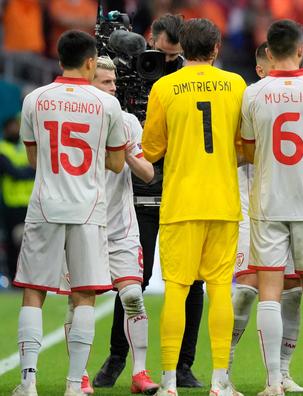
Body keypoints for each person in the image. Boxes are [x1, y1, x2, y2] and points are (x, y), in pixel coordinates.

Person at [12, 30, 127, 396]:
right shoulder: (107, 105)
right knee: (84, 295)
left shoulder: (34, 99)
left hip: (45, 204)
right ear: (91, 62)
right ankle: (74, 385)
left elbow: (33, 158)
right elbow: (117, 161)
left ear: (59, 58)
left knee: (34, 292)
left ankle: (28, 382)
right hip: (89, 208)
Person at [95, 13, 206, 390]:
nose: (167, 63)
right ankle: (116, 358)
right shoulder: (121, 73)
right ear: (149, 40)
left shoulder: (188, 80)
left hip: (179, 190)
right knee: (131, 282)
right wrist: (111, 50)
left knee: (191, 282)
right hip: (136, 193)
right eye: (161, 54)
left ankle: (183, 366)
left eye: (176, 57)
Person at [142, 18, 247, 396]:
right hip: (223, 201)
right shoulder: (236, 84)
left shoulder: (164, 86)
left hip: (180, 202)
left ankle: (169, 382)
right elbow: (245, 145)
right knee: (220, 289)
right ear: (216, 48)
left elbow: (151, 149)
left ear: (182, 48)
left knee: (176, 290)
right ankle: (220, 381)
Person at [240, 19, 303, 396]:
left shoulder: (253, 94)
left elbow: (248, 151)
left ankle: (272, 384)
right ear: (301, 50)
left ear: (267, 53)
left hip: (267, 202)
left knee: (270, 289)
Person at [60, 56, 159, 395]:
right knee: (78, 301)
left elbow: (148, 174)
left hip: (120, 226)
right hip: (82, 223)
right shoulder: (75, 119)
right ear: (89, 82)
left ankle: (140, 373)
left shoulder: (129, 121)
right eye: (106, 83)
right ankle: (80, 376)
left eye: (115, 83)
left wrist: (126, 149)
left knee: (133, 295)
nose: (114, 89)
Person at [229, 41, 303, 393]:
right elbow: (236, 153)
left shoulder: (302, 97)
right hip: (248, 205)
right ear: (262, 68)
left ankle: (282, 373)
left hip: (288, 205)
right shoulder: (247, 100)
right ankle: (223, 369)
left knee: (292, 290)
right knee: (246, 289)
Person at [0, 114, 34, 285]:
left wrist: (24, 172)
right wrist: (26, 171)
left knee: (31, 243)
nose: (15, 129)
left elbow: (36, 168)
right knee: (13, 244)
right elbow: (15, 173)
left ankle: (30, 277)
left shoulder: (23, 147)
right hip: (11, 205)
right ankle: (14, 277)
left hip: (30, 203)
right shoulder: (2, 149)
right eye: (12, 126)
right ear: (5, 129)